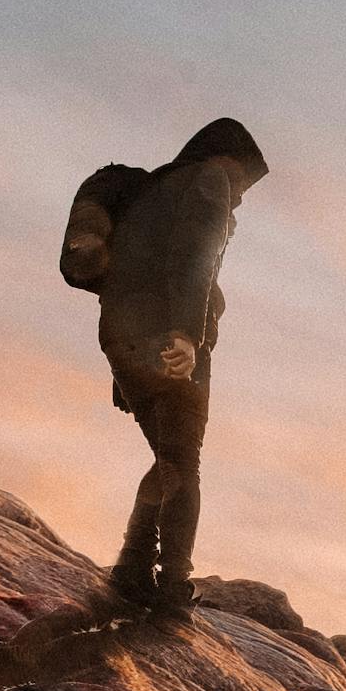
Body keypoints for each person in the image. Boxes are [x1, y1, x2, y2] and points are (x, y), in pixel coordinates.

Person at [61, 117, 270, 611]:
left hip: (123, 340)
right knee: (184, 462)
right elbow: (193, 258)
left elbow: (122, 276)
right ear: (222, 160)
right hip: (174, 341)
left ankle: (133, 566)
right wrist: (187, 335)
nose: (238, 196)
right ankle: (173, 584)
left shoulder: (147, 196)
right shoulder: (206, 183)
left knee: (168, 459)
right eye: (241, 181)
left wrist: (125, 370)